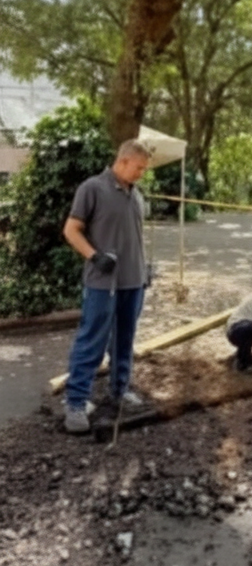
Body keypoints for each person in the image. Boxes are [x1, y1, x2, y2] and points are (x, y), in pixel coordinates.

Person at [61, 139, 153, 434]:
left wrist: (144, 268)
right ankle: (75, 403)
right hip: (103, 283)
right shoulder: (92, 189)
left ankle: (119, 390)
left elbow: (133, 235)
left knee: (124, 340)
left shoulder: (136, 194)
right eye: (139, 168)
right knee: (92, 341)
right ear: (123, 161)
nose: (141, 173)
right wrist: (94, 256)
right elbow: (71, 230)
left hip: (133, 281)